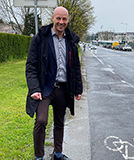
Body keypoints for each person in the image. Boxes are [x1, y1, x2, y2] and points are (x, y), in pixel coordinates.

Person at [25, 6, 83, 160]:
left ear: (68, 20)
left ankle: (57, 154)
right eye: (58, 18)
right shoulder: (40, 39)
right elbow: (30, 66)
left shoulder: (71, 41)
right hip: (43, 89)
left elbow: (76, 67)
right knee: (41, 121)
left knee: (59, 122)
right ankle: (39, 157)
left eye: (64, 19)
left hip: (63, 88)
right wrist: (34, 88)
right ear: (52, 18)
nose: (61, 22)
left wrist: (78, 89)